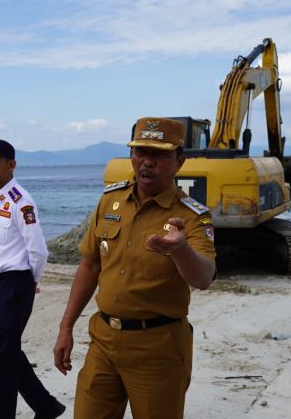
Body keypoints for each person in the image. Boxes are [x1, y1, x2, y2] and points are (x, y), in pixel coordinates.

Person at [52, 117, 217, 419]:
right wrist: (66, 328)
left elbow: (204, 277)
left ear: (179, 161)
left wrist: (180, 250)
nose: (147, 162)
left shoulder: (192, 216)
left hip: (158, 348)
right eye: (140, 152)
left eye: (159, 155)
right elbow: (90, 266)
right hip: (103, 341)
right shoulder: (110, 201)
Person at [0, 139, 66, 419]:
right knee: (7, 351)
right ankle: (46, 407)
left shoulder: (21, 201)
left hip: (16, 284)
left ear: (11, 164)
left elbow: (38, 250)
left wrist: (30, 281)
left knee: (3, 360)